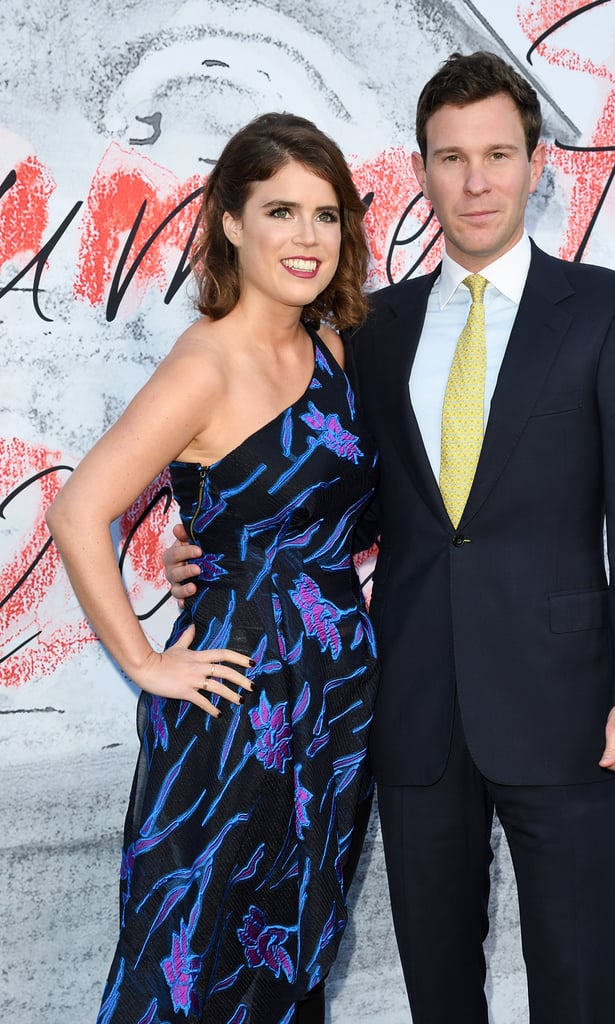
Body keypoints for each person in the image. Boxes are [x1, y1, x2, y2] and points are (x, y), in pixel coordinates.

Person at [165, 52, 615, 1024]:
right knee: (436, 990)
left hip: (567, 708)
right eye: (450, 157)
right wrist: (220, 536)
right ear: (420, 170)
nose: (475, 179)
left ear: (538, 162)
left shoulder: (611, 313)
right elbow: (344, 495)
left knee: (579, 984)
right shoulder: (371, 325)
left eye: (496, 153)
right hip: (408, 709)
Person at [46, 111, 377, 1024]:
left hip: (336, 696)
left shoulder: (333, 350)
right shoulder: (206, 360)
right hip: (232, 708)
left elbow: (326, 509)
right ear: (231, 222)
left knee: (294, 946)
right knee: (190, 947)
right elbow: (78, 510)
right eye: (280, 212)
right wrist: (147, 664)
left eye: (325, 214)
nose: (306, 238)